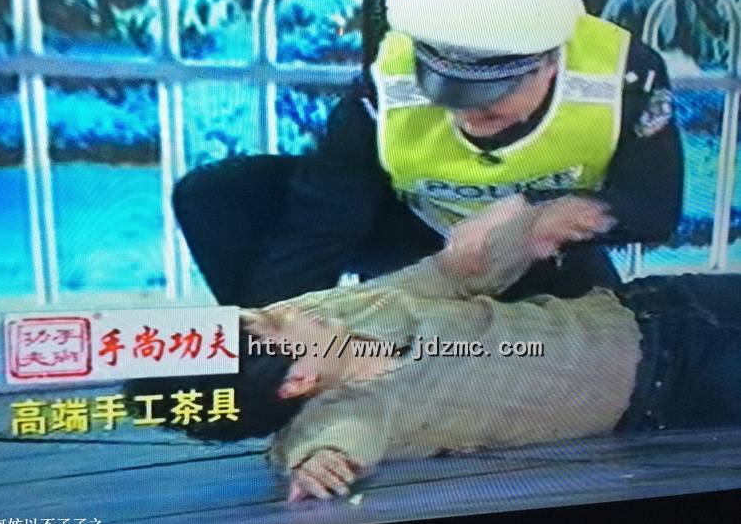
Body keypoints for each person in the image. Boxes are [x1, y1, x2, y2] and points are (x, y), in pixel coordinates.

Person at [128, 195, 740, 502]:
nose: (284, 309)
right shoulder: (347, 416)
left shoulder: (335, 313)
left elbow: (446, 277)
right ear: (296, 381)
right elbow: (322, 449)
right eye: (271, 323)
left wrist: (527, 231)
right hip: (675, 385)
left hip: (650, 307)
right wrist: (311, 466)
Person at [173, 0, 683, 307]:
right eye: (450, 93)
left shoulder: (624, 75)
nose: (467, 114)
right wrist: (285, 337)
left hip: (545, 252)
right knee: (217, 195)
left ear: (550, 62)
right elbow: (325, 218)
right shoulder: (389, 80)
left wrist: (534, 212)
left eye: (493, 96)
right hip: (420, 235)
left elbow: (653, 208)